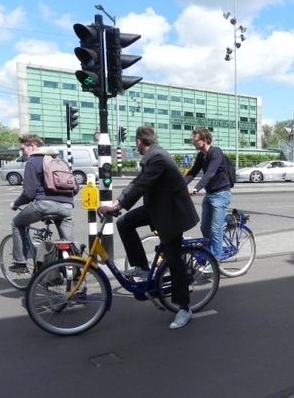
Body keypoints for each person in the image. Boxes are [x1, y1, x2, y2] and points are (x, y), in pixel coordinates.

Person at [99, 126, 199, 330]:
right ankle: (142, 267)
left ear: (138, 142)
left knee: (174, 259)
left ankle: (184, 308)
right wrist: (118, 202)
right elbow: (137, 181)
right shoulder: (153, 157)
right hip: (158, 208)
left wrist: (117, 205)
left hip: (172, 214)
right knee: (124, 222)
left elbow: (141, 185)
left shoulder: (158, 158)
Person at [9, 134, 78, 273]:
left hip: (44, 206)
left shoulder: (33, 162)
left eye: (23, 149)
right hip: (66, 207)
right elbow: (75, 188)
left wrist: (16, 204)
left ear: (33, 146)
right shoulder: (60, 161)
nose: (22, 152)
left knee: (17, 223)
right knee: (69, 245)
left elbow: (29, 194)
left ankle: (20, 263)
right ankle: (79, 283)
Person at [185, 128, 232, 263]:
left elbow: (210, 173)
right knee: (204, 227)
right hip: (210, 195)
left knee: (216, 229)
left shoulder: (216, 153)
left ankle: (214, 262)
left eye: (195, 141)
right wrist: (179, 186)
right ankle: (209, 254)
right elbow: (193, 172)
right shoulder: (201, 155)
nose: (193, 143)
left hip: (221, 194)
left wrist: (196, 188)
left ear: (204, 141)